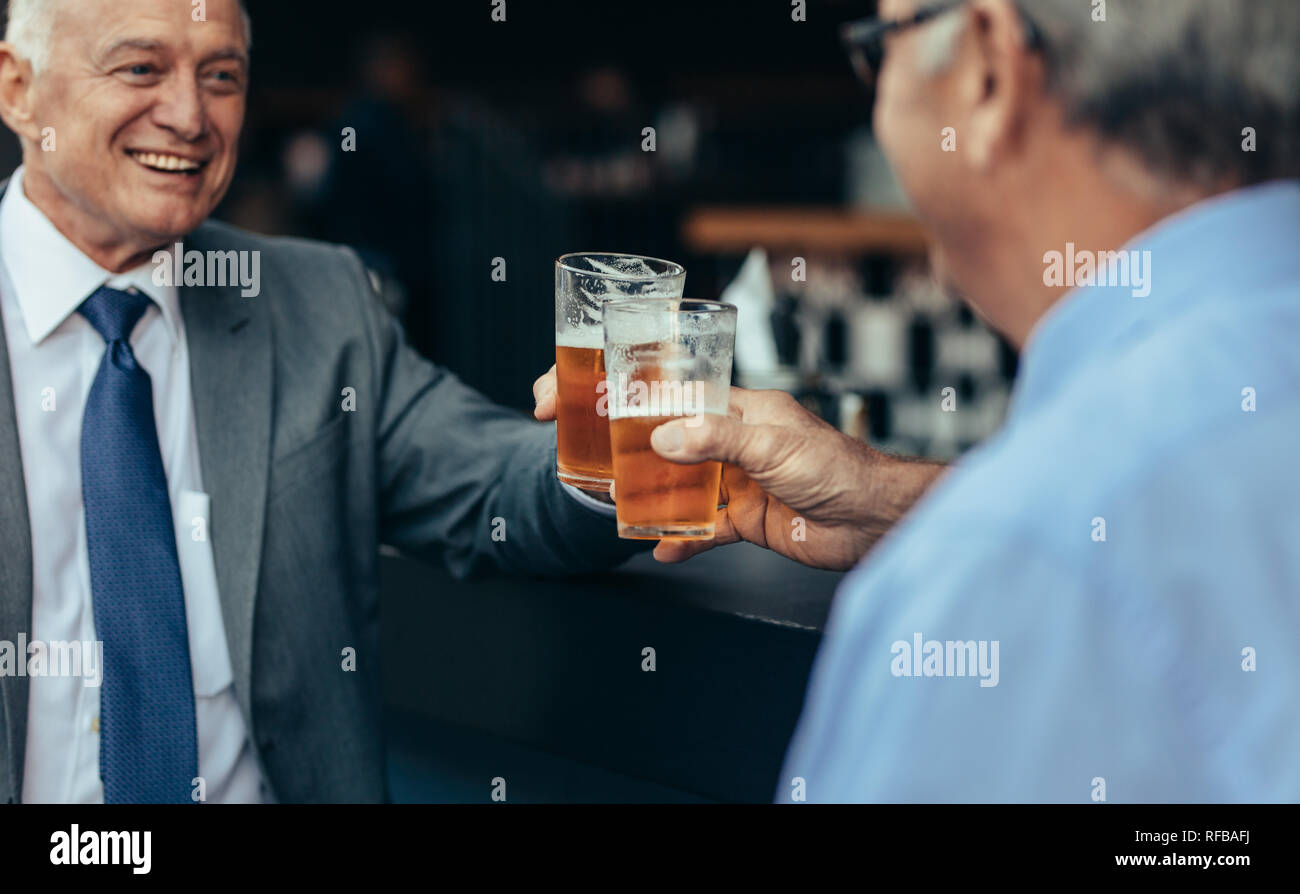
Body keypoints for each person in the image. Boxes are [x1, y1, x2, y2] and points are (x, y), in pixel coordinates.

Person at [538, 0, 1300, 801]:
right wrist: (884, 499)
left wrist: (985, 539)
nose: (875, 90)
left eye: (878, 47)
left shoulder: (1004, 576)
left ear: (987, 72)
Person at [0, 0, 642, 804]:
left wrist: (617, 447)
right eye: (140, 68)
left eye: (221, 76)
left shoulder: (318, 304)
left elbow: (487, 480)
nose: (190, 116)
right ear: (18, 89)